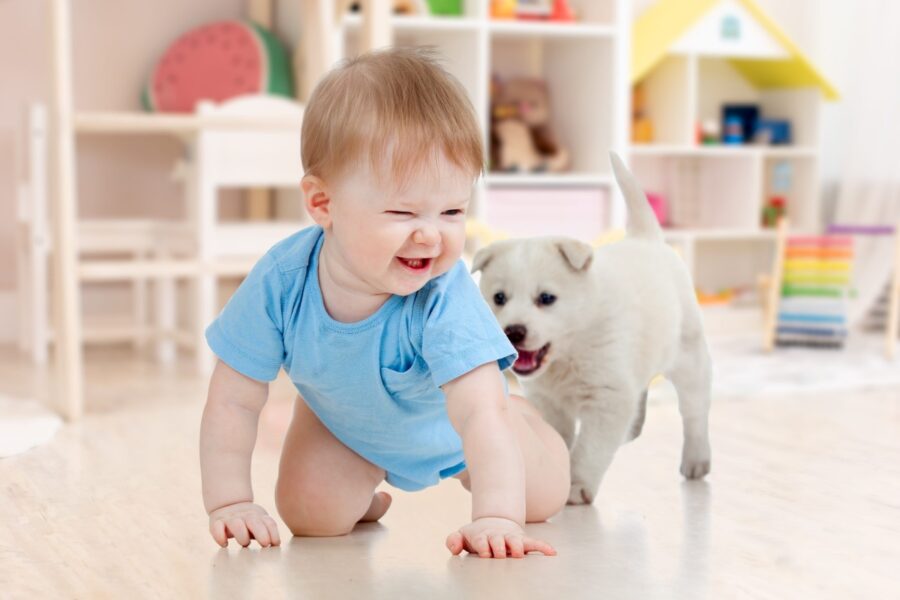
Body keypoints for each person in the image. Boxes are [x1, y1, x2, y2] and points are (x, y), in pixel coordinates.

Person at [199, 47, 570, 559]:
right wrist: (230, 502)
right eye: (402, 211)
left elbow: (480, 416)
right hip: (344, 424)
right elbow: (233, 399)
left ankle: (526, 418)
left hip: (461, 431)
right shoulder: (282, 281)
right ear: (322, 204)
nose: (430, 235)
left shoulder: (443, 296)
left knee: (540, 497)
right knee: (311, 517)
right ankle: (361, 493)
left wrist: (495, 517)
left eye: (452, 211)